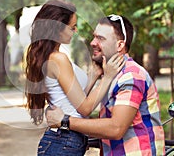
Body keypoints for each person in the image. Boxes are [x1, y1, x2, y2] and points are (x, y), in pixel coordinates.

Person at [45, 14, 165, 156]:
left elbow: (116, 128)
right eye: (94, 36)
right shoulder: (113, 74)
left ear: (120, 45)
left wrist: (65, 121)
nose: (93, 43)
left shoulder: (131, 76)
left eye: (100, 38)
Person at [24, 0, 125, 156]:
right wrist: (107, 78)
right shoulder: (58, 59)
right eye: (72, 27)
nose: (76, 30)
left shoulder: (53, 57)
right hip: (63, 141)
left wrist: (94, 75)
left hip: (64, 140)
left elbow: (74, 100)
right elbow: (84, 108)